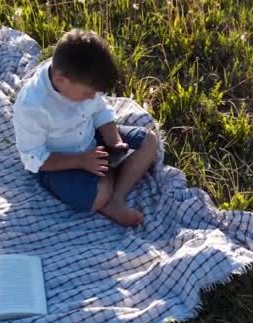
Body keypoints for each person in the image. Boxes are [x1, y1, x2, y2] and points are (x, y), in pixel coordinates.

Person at [12, 28, 158, 227]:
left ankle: (116, 197)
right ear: (60, 81)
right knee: (95, 196)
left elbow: (99, 109)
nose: (92, 97)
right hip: (59, 162)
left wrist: (113, 139)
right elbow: (34, 158)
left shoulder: (78, 79)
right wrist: (81, 161)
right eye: (87, 93)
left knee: (150, 141)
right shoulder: (32, 106)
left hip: (92, 140)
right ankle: (106, 191)